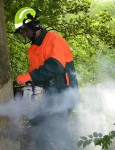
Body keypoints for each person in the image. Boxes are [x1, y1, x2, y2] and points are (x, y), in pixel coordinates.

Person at [14, 7, 79, 150]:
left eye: (24, 30)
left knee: (58, 132)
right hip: (45, 95)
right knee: (39, 131)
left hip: (62, 93)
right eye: (21, 32)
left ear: (34, 25)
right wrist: (24, 87)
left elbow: (55, 67)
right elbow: (36, 75)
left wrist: (28, 77)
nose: (23, 34)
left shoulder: (54, 40)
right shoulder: (33, 48)